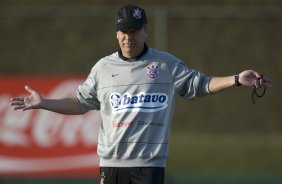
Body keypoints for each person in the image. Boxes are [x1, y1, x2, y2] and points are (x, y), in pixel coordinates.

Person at [10, 4, 272, 184]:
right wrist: (44, 103)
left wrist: (237, 79)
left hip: (149, 165)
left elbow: (200, 85)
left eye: (134, 31)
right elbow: (79, 103)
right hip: (110, 165)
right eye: (124, 32)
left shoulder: (165, 64)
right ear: (117, 34)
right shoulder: (103, 67)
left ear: (146, 31)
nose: (128, 37)